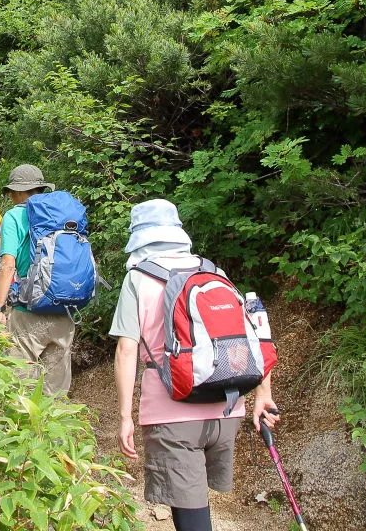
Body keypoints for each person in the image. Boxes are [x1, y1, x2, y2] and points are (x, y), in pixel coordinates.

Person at [110, 199, 279, 531]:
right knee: (194, 502)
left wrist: (125, 417)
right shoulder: (213, 272)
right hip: (227, 405)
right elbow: (250, 334)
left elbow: (126, 350)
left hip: (172, 412)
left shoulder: (137, 278)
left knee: (191, 512)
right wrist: (262, 394)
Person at [0, 164, 75, 396]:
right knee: (56, 392)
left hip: (28, 312)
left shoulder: (14, 216)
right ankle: (55, 431)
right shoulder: (61, 214)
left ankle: (26, 429)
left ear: (18, 192)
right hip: (63, 309)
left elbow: (8, 264)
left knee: (21, 386)